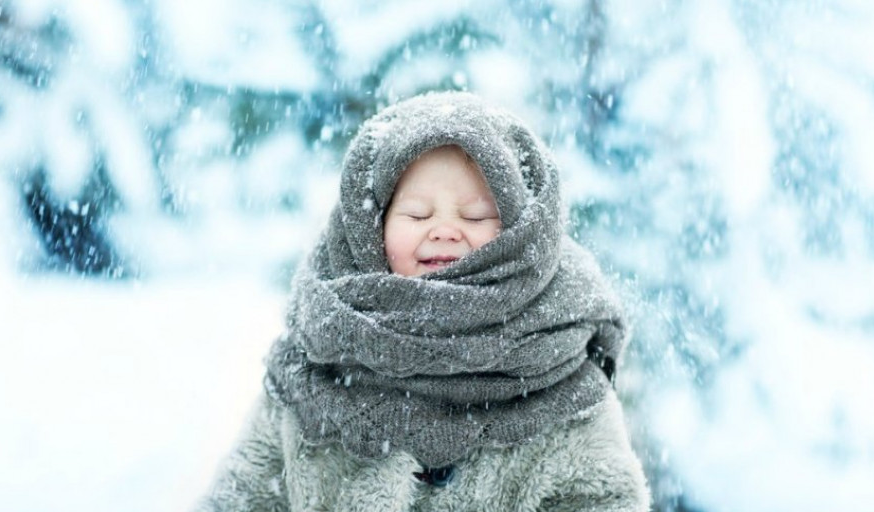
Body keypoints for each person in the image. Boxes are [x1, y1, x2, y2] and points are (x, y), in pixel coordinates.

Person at [196, 92, 650, 511]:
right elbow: (246, 494)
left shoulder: (560, 367)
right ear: (370, 228)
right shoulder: (314, 360)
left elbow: (603, 497)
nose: (445, 230)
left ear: (517, 235)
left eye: (476, 216)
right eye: (417, 213)